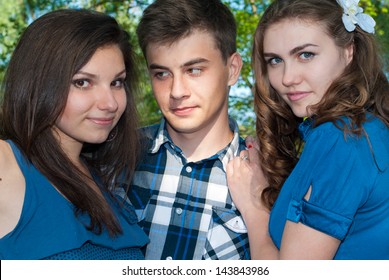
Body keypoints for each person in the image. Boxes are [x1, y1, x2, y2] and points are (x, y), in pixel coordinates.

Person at [227, 0, 389, 259]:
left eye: (306, 55)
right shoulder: (366, 128)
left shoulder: (342, 137)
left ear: (349, 51)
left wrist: (254, 206)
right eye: (275, 60)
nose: (287, 78)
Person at [0, 9, 149, 259]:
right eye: (82, 82)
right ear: (39, 84)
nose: (110, 103)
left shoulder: (110, 180)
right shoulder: (7, 164)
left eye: (116, 83)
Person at [123, 0, 249, 260]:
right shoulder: (115, 156)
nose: (177, 91)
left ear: (232, 69)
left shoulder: (269, 174)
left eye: (194, 70)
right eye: (161, 74)